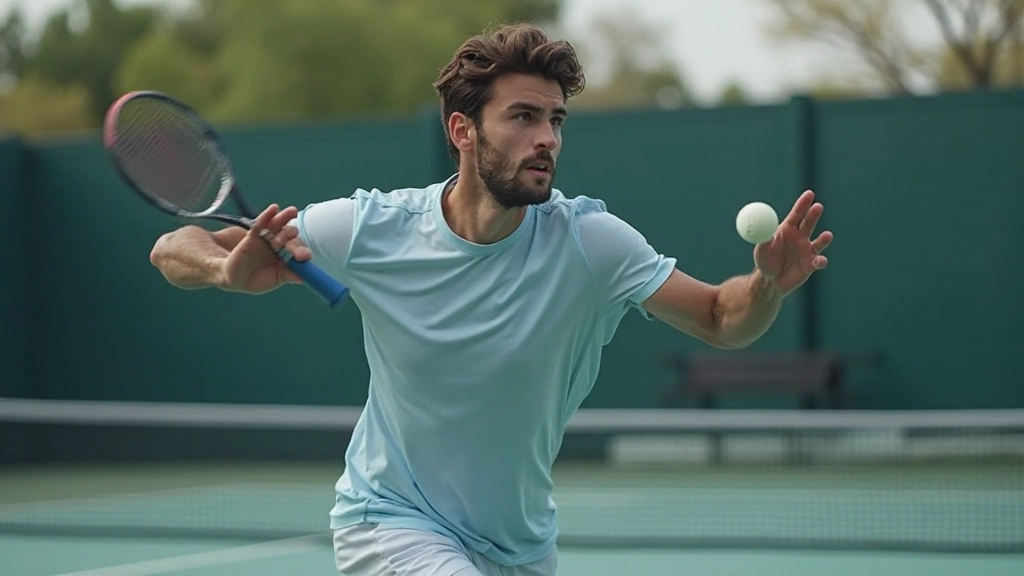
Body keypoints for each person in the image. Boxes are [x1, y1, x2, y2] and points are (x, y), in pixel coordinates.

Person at [148, 23, 832, 576]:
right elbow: (173, 247)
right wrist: (222, 272)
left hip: (522, 547)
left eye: (557, 121)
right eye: (524, 117)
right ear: (462, 131)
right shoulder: (370, 228)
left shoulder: (592, 245)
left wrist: (768, 284)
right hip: (392, 522)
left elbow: (721, 317)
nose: (547, 139)